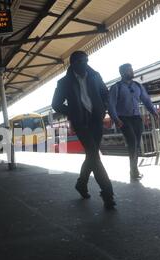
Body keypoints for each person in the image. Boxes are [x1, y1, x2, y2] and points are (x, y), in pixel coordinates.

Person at [51, 51, 116, 209]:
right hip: (80, 122)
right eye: (81, 61)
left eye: (86, 60)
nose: (85, 63)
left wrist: (103, 108)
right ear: (73, 63)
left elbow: (105, 93)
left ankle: (81, 184)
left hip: (95, 120)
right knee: (94, 155)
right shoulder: (64, 82)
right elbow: (56, 104)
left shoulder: (95, 76)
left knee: (91, 155)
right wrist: (72, 112)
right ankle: (108, 193)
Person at [108, 63, 158, 180]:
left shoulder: (138, 86)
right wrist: (116, 119)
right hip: (123, 119)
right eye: (129, 70)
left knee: (136, 143)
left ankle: (134, 169)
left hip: (136, 118)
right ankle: (134, 171)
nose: (132, 72)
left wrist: (153, 112)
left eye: (131, 70)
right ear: (122, 73)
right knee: (132, 142)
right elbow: (111, 105)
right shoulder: (116, 87)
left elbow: (146, 100)